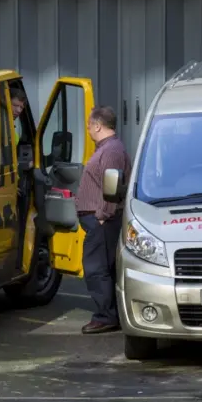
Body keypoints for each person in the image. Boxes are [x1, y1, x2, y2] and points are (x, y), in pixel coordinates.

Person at [75, 106, 132, 334]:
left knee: (97, 269)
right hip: (101, 220)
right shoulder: (109, 148)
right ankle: (110, 314)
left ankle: (106, 316)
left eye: (89, 125)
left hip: (103, 220)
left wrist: (103, 215)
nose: (88, 130)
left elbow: (112, 187)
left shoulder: (110, 151)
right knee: (103, 268)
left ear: (97, 125)